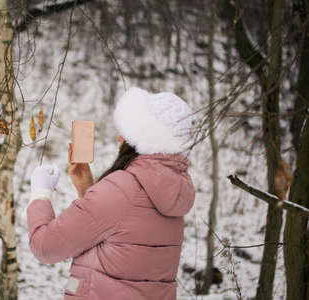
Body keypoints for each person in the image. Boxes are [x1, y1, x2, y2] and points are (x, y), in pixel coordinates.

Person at [27, 87, 195, 300]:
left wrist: (40, 193)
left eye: (126, 131)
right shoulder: (172, 191)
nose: (119, 138)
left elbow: (45, 246)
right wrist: (87, 190)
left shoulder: (120, 190)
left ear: (139, 138)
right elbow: (125, 243)